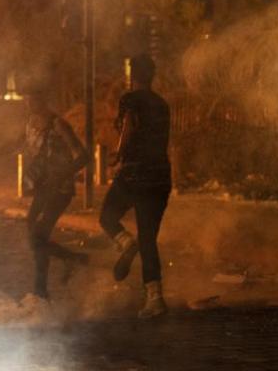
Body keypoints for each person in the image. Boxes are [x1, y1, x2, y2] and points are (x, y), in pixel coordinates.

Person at [99, 54, 172, 319]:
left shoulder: (131, 99)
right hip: (161, 175)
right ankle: (156, 298)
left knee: (107, 215)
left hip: (136, 174)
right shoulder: (162, 104)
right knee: (149, 238)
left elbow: (128, 125)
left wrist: (119, 152)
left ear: (134, 74)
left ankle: (126, 242)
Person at [23, 90, 90, 299]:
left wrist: (61, 175)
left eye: (33, 97)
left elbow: (83, 156)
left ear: (42, 98)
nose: (29, 102)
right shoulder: (32, 123)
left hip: (60, 189)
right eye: (27, 98)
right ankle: (70, 261)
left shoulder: (58, 125)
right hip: (43, 188)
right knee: (34, 235)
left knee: (38, 235)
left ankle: (41, 289)